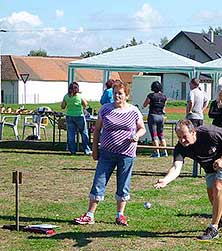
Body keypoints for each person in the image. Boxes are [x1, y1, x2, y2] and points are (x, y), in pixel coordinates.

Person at [74, 80, 146, 226]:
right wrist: (94, 149)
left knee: (123, 183)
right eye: (114, 93)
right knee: (99, 182)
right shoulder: (105, 109)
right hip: (106, 152)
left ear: (126, 95)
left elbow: (142, 128)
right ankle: (90, 215)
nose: (117, 96)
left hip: (127, 154)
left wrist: (137, 136)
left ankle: (120, 215)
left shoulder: (133, 111)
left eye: (120, 93)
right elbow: (97, 130)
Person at [154, 119, 222, 240]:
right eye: (179, 137)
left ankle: (214, 228)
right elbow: (176, 167)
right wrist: (166, 180)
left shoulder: (209, 132)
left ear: (193, 132)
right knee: (212, 195)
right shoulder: (180, 147)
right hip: (209, 165)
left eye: (184, 136)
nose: (182, 140)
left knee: (218, 187)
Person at [61, 82, 92, 155]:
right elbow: (85, 104)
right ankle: (86, 150)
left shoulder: (66, 96)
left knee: (71, 134)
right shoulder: (79, 96)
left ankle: (72, 151)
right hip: (79, 116)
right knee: (84, 133)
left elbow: (62, 106)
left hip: (69, 116)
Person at [143, 81, 168, 158]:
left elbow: (145, 104)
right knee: (161, 134)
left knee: (154, 135)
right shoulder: (164, 97)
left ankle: (156, 152)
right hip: (161, 116)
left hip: (153, 116)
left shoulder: (151, 96)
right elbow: (164, 107)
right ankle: (164, 151)